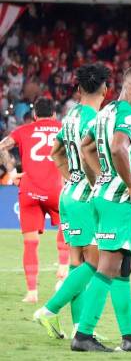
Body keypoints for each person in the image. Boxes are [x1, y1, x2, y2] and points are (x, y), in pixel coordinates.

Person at [72, 66, 131, 353]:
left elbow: (85, 148)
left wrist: (101, 177)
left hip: (103, 195)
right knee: (109, 265)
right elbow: (119, 148)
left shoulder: (106, 112)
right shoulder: (128, 116)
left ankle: (130, 336)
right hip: (118, 201)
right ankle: (83, 335)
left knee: (123, 266)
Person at [33, 64, 111, 339]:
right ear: (105, 88)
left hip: (69, 195)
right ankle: (49, 309)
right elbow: (93, 157)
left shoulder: (70, 116)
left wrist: (73, 177)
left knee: (78, 263)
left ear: (78, 89)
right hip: (86, 198)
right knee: (99, 261)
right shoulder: (96, 119)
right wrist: (94, 185)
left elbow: (56, 152)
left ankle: (80, 329)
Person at [0, 97, 66, 303]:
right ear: (54, 114)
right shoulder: (63, 128)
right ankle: (63, 271)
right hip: (57, 189)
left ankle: (31, 293)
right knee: (67, 226)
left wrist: (11, 173)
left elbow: (2, 146)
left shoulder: (23, 130)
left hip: (29, 190)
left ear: (34, 115)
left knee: (30, 243)